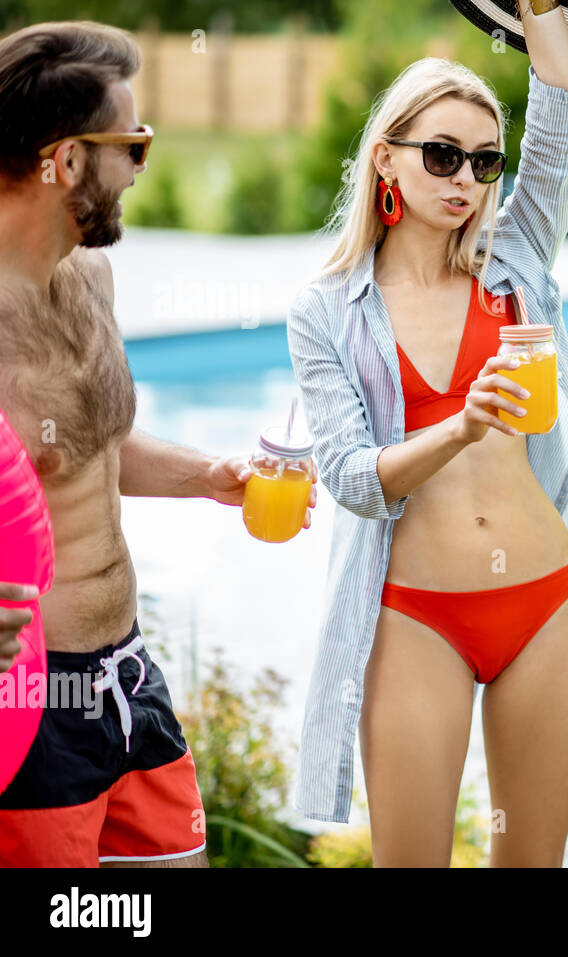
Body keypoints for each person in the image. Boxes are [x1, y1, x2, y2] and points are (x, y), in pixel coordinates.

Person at [0, 21, 313, 867]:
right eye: (132, 147)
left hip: (129, 675)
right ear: (65, 161)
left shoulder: (90, 280)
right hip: (34, 706)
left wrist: (208, 475)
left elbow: (99, 444)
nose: (143, 167)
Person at [288, 1, 568, 866]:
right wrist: (462, 425)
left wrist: (539, 9)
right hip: (416, 617)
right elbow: (350, 477)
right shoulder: (328, 310)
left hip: (546, 603)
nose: (466, 178)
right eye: (443, 154)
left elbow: (565, 119)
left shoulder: (517, 255)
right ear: (386, 156)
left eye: (485, 160)